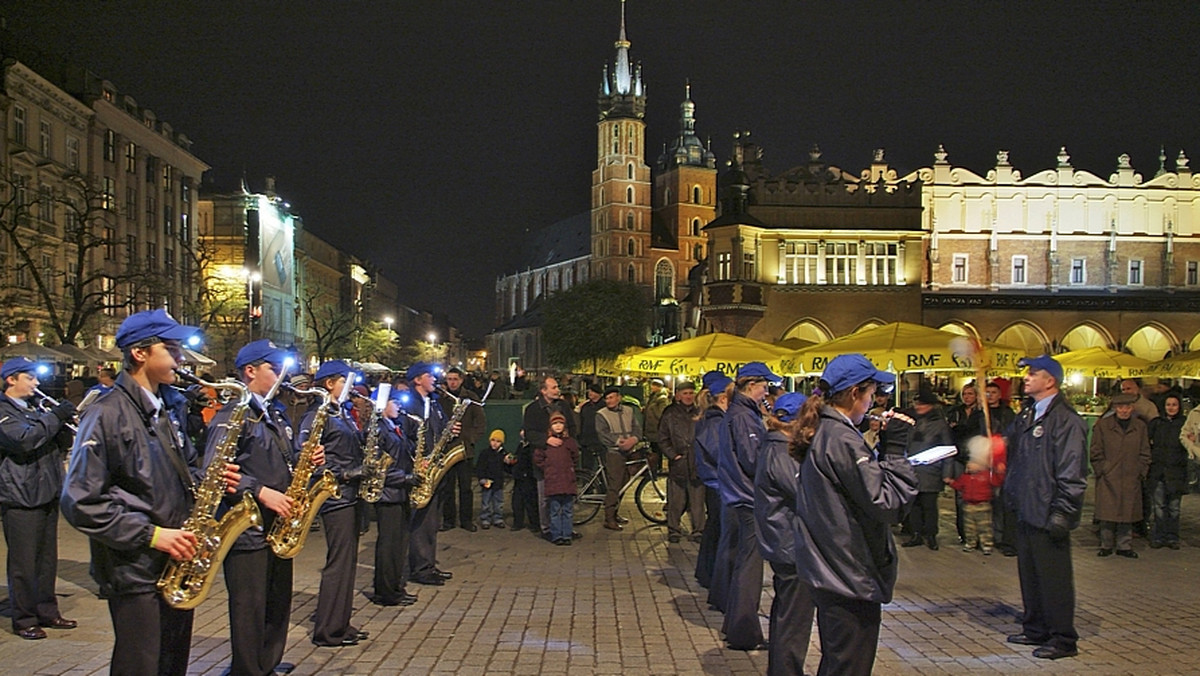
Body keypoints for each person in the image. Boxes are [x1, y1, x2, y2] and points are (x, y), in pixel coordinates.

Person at [62, 309, 239, 675]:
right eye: (171, 348)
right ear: (139, 353)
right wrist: (154, 535)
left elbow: (181, 469)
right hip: (136, 568)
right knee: (140, 665)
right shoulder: (107, 412)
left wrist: (211, 479)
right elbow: (79, 500)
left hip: (175, 562)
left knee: (171, 663)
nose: (180, 359)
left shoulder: (164, 407)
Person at [791, 353, 917, 676]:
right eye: (872, 393)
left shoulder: (829, 432)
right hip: (848, 574)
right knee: (849, 665)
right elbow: (886, 503)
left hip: (833, 569)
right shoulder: (842, 438)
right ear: (854, 394)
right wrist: (895, 452)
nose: (874, 401)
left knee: (838, 662)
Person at [211, 339, 318, 674]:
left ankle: (267, 664)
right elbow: (212, 471)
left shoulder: (273, 412)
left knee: (276, 602)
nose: (281, 376)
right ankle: (247, 669)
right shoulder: (233, 415)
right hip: (248, 527)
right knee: (249, 607)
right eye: (274, 368)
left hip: (277, 524)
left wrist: (305, 459)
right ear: (250, 371)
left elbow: (279, 460)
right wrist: (259, 491)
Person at [1003, 355, 1087, 660]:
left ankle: (1063, 638)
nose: (1026, 377)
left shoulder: (1066, 421)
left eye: (1033, 373)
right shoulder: (1028, 416)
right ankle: (1035, 626)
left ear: (1050, 380)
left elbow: (1072, 471)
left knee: (1054, 579)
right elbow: (1012, 449)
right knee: (1031, 575)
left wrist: (1063, 511)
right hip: (1026, 508)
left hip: (1048, 510)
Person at [0, 357, 77, 640]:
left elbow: (54, 443)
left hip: (46, 491)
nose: (36, 383)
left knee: (47, 559)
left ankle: (47, 610)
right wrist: (55, 418)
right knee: (23, 562)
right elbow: (23, 440)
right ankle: (24, 618)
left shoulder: (35, 409)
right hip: (20, 495)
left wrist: (62, 425)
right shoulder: (4, 411)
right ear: (12, 379)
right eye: (30, 378)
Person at [303, 359, 368, 647]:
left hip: (350, 493)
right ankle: (327, 629)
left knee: (347, 562)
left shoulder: (341, 413)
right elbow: (308, 460)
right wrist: (344, 473)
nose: (352, 388)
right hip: (335, 495)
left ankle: (341, 624)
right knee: (337, 563)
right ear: (329, 383)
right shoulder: (317, 415)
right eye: (346, 382)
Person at [718, 361, 781, 651]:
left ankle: (736, 626)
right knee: (750, 566)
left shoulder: (739, 412)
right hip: (748, 496)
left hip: (740, 494)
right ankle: (744, 632)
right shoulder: (744, 416)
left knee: (747, 561)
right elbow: (752, 459)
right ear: (751, 386)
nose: (766, 392)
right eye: (764, 386)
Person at [754, 392, 814, 676]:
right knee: (793, 616)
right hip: (789, 542)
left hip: (784, 539)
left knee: (788, 611)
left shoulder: (777, 445)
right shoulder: (781, 450)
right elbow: (804, 493)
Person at [404, 362, 456, 586]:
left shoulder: (433, 403)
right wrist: (418, 461)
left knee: (432, 521)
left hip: (435, 466)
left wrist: (451, 431)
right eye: (429, 376)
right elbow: (405, 436)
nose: (435, 379)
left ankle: (428, 563)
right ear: (417, 380)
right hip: (420, 467)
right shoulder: (410, 404)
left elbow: (441, 428)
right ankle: (420, 568)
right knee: (421, 522)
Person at [370, 386, 421, 607]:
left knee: (399, 545)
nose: (399, 406)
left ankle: (396, 586)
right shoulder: (378, 430)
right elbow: (378, 466)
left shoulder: (395, 427)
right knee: (389, 546)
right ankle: (386, 591)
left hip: (399, 493)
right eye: (395, 401)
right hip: (388, 494)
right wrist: (406, 477)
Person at [1090, 392, 1150, 558]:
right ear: (1115, 408)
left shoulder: (1140, 427)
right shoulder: (1103, 426)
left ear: (1132, 408)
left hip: (1131, 475)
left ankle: (1125, 546)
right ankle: (1106, 544)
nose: (1124, 410)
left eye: (1128, 407)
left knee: (1127, 512)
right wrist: (1102, 469)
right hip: (1109, 475)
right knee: (1107, 513)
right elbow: (1095, 451)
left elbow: (1145, 452)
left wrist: (1140, 470)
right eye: (1121, 407)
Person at [521, 376, 577, 539]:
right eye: (553, 387)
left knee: (566, 498)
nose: (557, 390)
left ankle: (565, 529)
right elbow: (529, 433)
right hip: (545, 459)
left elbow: (572, 427)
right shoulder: (533, 409)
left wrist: (568, 442)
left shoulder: (563, 406)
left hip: (563, 460)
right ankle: (547, 529)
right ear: (543, 390)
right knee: (545, 496)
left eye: (557, 387)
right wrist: (546, 440)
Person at [900, 386, 954, 551]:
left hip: (931, 470)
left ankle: (930, 534)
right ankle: (916, 533)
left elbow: (948, 449)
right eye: (917, 403)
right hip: (913, 469)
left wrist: (947, 473)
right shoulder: (912, 422)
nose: (918, 407)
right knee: (914, 504)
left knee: (929, 505)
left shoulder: (939, 424)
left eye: (922, 404)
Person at [695, 371, 731, 597]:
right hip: (718, 482)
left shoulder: (710, 419)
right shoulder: (714, 421)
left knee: (713, 528)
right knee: (718, 530)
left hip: (715, 482)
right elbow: (718, 452)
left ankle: (706, 572)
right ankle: (711, 575)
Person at [439, 367, 485, 532]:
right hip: (447, 449)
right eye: (449, 379)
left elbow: (480, 424)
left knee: (466, 487)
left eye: (455, 379)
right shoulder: (442, 399)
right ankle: (448, 520)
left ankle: (466, 520)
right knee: (447, 487)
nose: (452, 382)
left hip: (464, 449)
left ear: (461, 380)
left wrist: (469, 439)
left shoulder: (471, 399)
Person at [659, 380, 704, 544]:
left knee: (698, 500)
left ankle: (698, 530)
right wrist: (673, 455)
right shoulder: (670, 413)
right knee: (676, 500)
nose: (688, 396)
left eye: (691, 393)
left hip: (697, 462)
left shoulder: (700, 412)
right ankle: (674, 529)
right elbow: (662, 438)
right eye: (685, 393)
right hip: (678, 463)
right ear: (678, 395)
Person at [947, 437, 1006, 554]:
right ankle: (970, 542)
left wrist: (999, 472)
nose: (970, 466)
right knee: (970, 527)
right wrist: (951, 482)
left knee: (985, 527)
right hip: (969, 505)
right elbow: (959, 486)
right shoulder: (965, 477)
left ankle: (987, 544)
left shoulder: (986, 475)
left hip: (983, 505)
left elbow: (996, 482)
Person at [595, 385, 641, 531]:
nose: (609, 401)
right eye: (607, 398)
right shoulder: (601, 414)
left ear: (618, 397)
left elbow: (636, 427)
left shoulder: (629, 411)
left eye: (611, 397)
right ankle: (609, 518)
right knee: (614, 486)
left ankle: (615, 513)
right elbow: (603, 434)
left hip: (629, 451)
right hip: (613, 453)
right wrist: (619, 442)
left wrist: (633, 439)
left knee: (623, 484)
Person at [1147, 394, 1187, 549]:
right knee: (1159, 507)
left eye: (1174, 404)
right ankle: (1158, 536)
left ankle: (1172, 537)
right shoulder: (1156, 424)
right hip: (1158, 472)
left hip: (1177, 472)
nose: (1171, 407)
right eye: (1168, 404)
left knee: (1174, 508)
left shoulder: (1183, 424)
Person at [534, 412, 579, 545]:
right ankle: (556, 535)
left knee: (567, 510)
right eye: (555, 423)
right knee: (554, 510)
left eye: (560, 423)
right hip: (552, 481)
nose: (558, 426)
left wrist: (570, 467)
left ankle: (566, 534)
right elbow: (538, 458)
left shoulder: (569, 442)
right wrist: (547, 468)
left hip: (567, 480)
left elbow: (575, 456)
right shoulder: (546, 443)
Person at [477, 429, 508, 529]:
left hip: (498, 482)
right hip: (487, 481)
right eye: (493, 440)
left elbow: (507, 469)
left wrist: (508, 462)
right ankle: (485, 518)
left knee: (498, 502)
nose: (495, 443)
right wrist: (481, 478)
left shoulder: (503, 454)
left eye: (498, 441)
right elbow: (480, 467)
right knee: (486, 502)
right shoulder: (484, 453)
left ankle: (498, 518)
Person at [642, 377, 670, 471]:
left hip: (656, 427)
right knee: (654, 447)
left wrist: (652, 409)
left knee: (657, 448)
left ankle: (658, 466)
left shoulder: (662, 398)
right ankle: (654, 465)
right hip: (651, 428)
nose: (651, 387)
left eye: (653, 385)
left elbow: (662, 413)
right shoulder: (653, 397)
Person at [577, 382, 605, 473]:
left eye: (592, 391)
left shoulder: (604, 406)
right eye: (589, 391)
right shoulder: (585, 407)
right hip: (586, 440)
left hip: (600, 440)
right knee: (586, 466)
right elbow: (581, 422)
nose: (590, 393)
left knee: (601, 466)